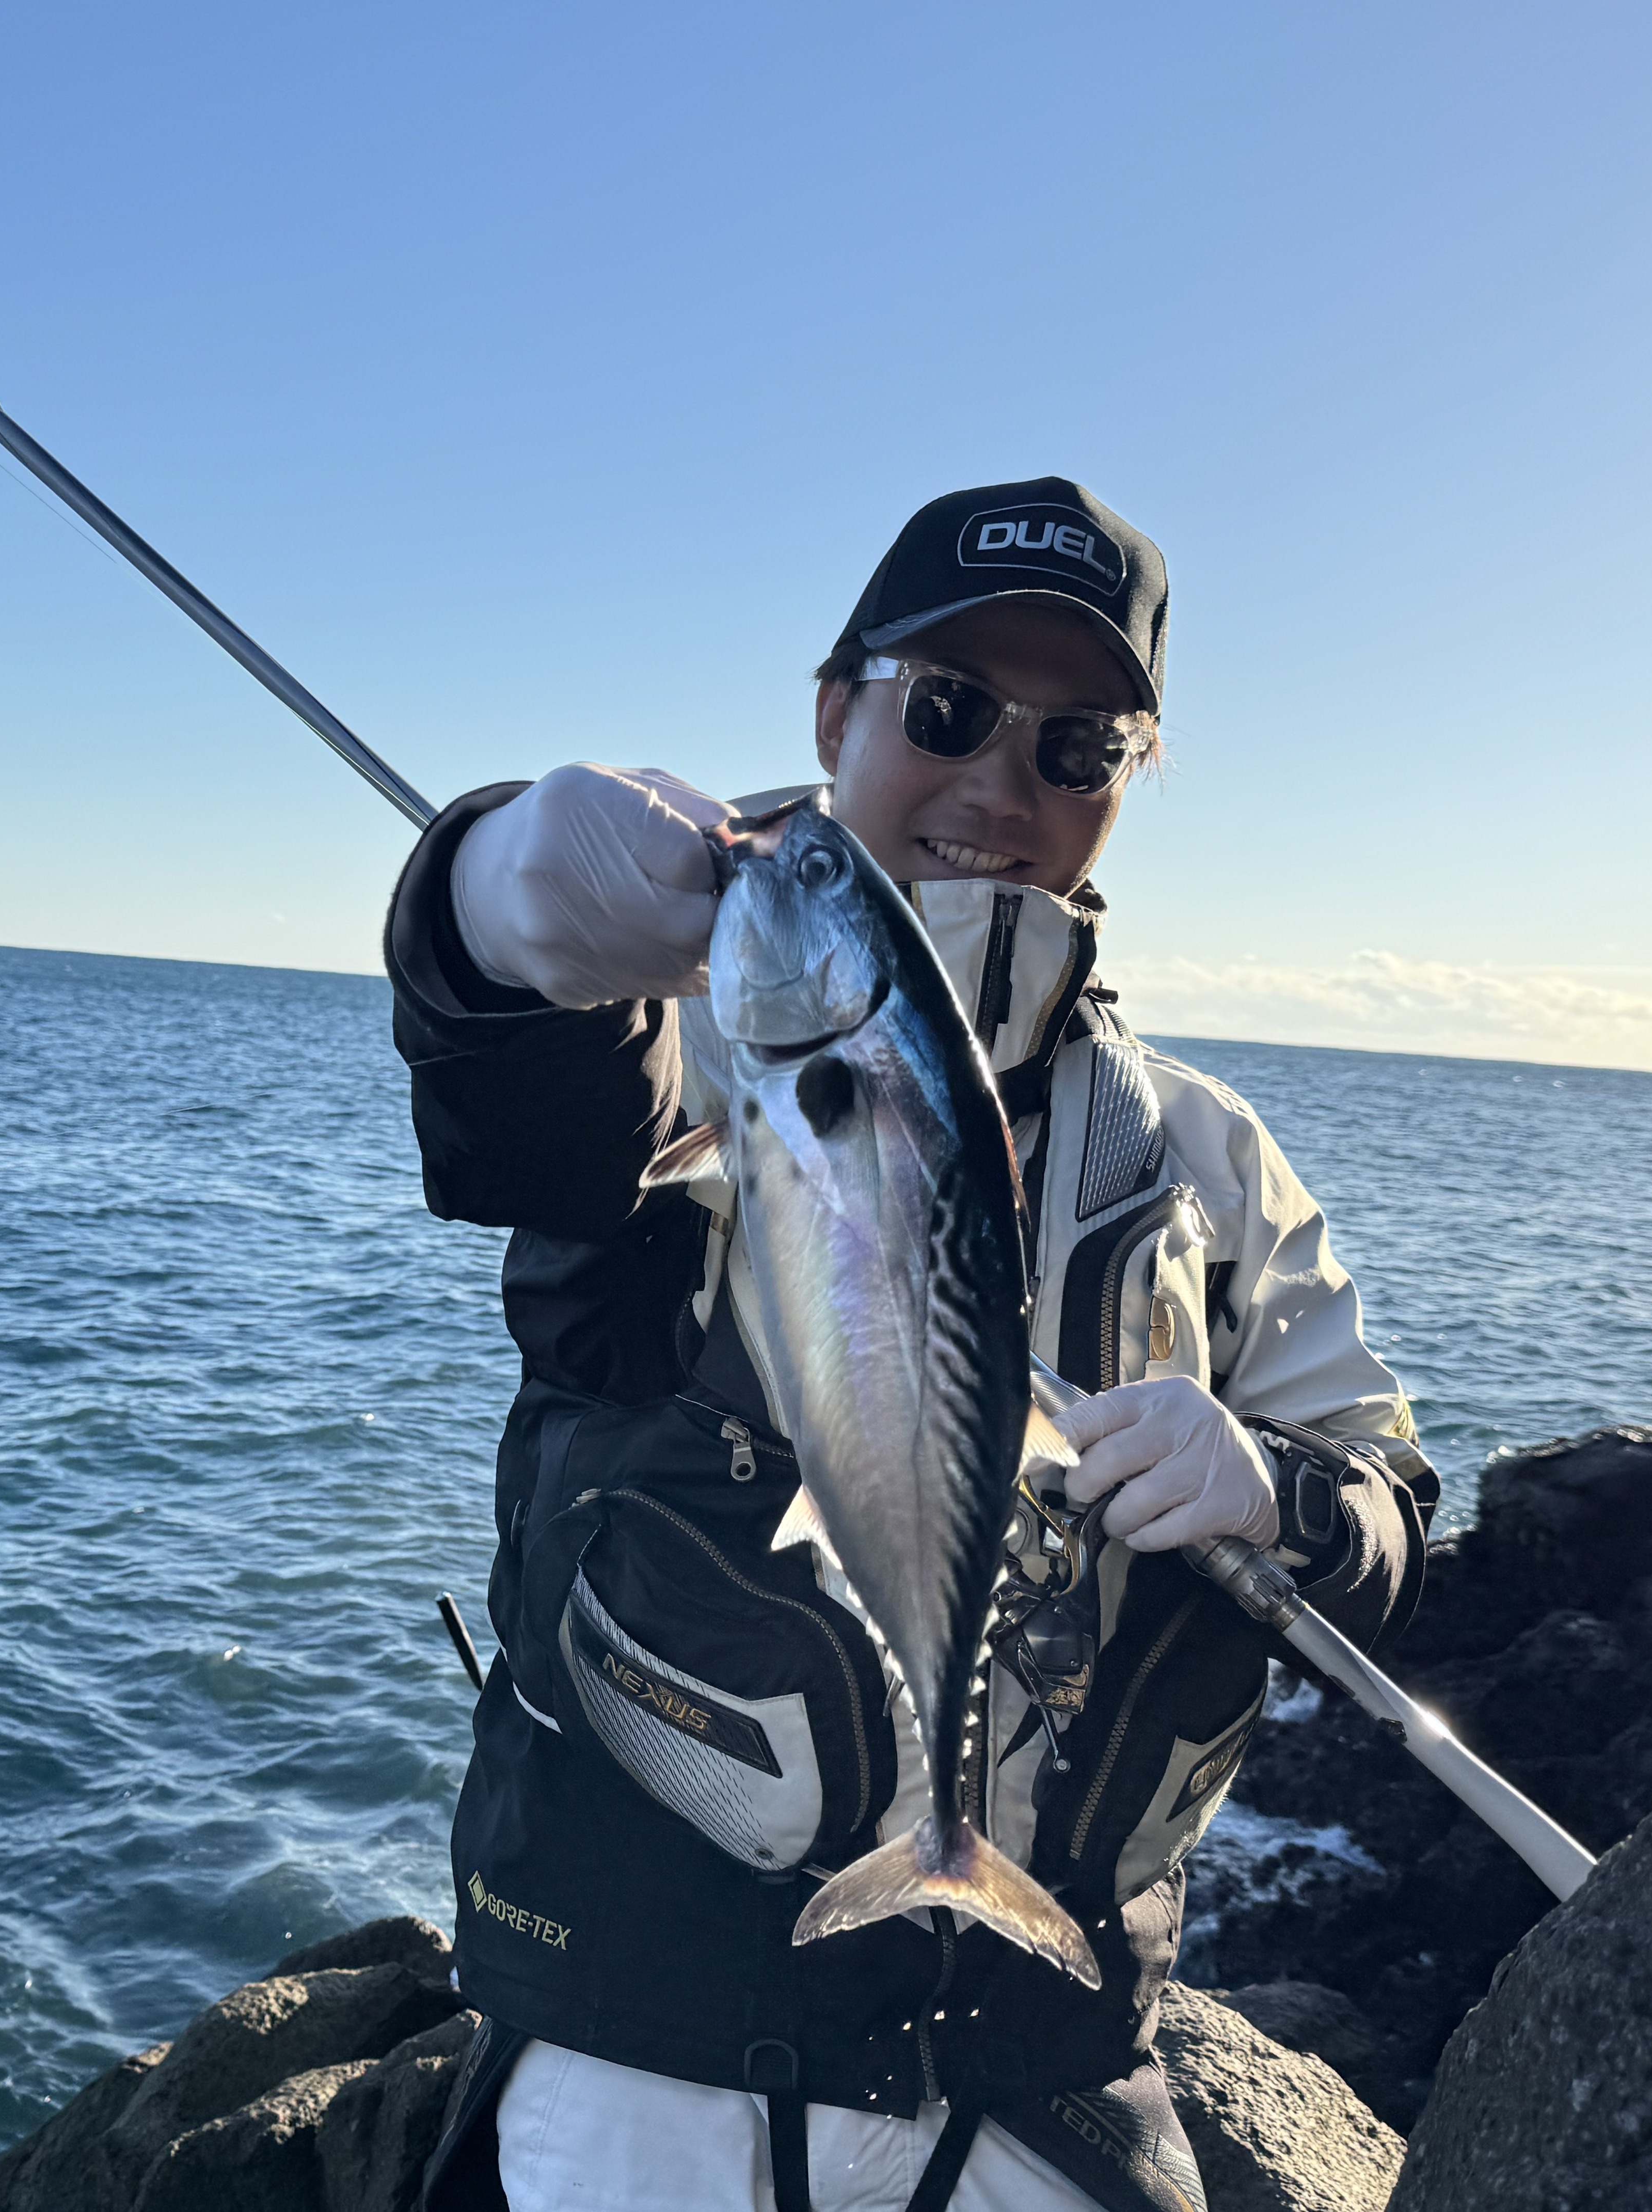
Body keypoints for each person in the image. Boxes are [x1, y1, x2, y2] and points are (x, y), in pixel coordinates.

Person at [387, 479, 1437, 2212]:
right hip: (647, 2058)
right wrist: (492, 894)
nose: (1002, 790)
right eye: (947, 709)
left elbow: (1391, 1508)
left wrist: (1281, 1490)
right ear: (834, 713)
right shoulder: (681, 1042)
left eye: (1078, 748)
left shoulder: (1203, 1158)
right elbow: (515, 1117)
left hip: (1047, 2075)